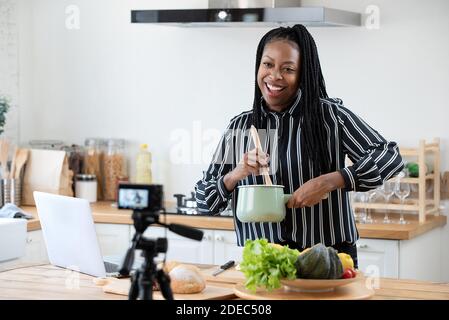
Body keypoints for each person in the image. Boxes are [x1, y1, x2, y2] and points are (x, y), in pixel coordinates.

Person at [194, 24, 403, 268]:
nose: (275, 76)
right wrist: (236, 174)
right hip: (265, 259)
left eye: (288, 69)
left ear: (303, 73)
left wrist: (332, 180)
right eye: (268, 64)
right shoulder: (240, 127)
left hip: (326, 257)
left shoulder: (330, 117)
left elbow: (390, 157)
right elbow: (204, 202)